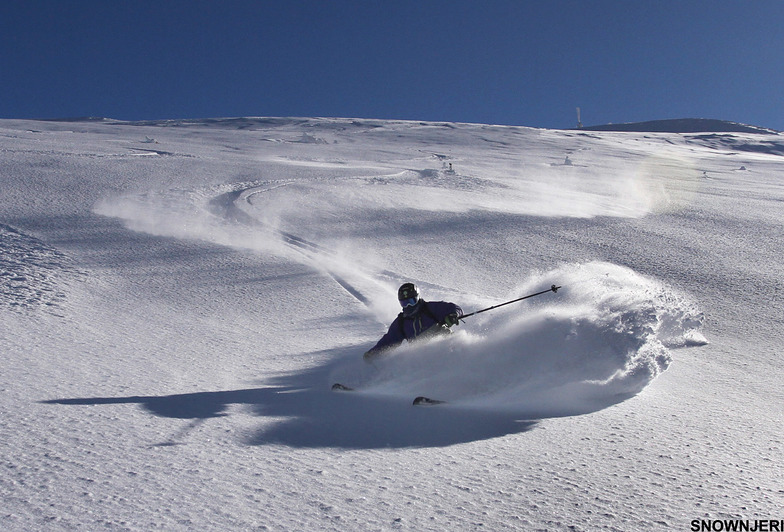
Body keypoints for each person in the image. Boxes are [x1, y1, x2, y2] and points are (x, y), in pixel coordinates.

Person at [363, 282, 463, 360]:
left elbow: (455, 308)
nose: (408, 306)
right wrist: (373, 353)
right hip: (424, 356)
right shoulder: (401, 322)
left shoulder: (430, 308)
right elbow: (389, 340)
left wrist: (452, 316)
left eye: (411, 301)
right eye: (404, 303)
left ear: (418, 298)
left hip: (447, 345)